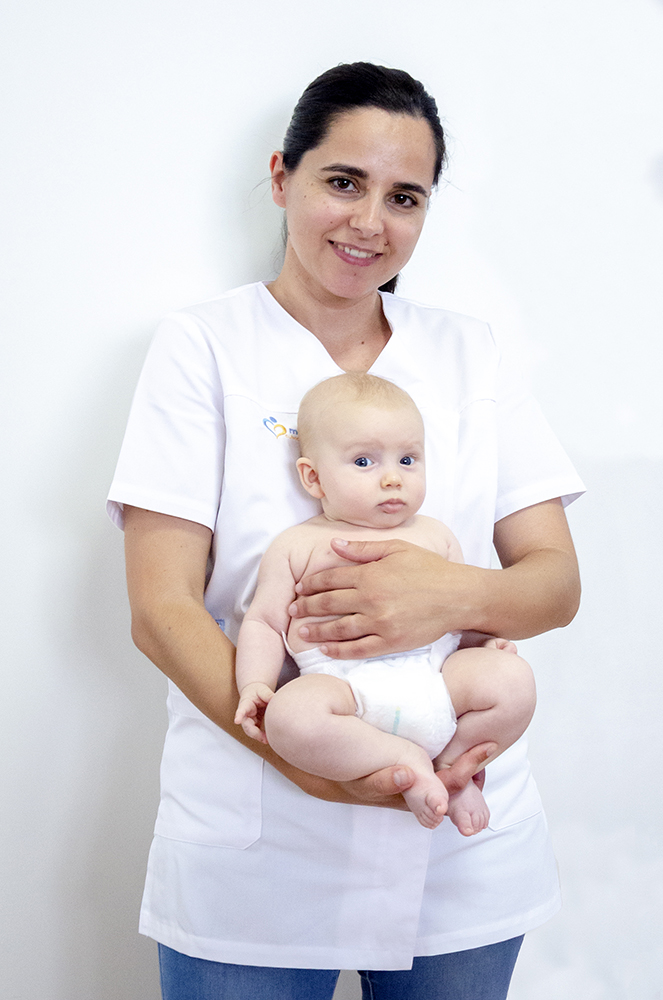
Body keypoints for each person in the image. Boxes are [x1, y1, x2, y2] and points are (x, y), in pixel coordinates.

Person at [108, 62, 584, 1000]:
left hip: (460, 849)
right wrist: (304, 762)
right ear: (282, 177)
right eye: (342, 182)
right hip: (258, 837)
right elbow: (161, 610)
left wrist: (442, 596)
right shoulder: (203, 346)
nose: (370, 222)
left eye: (404, 197)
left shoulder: (470, 352)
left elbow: (554, 585)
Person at [235, 372, 536, 835]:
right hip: (342, 690)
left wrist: (483, 643)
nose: (393, 477)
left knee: (513, 680)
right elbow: (264, 622)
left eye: (408, 459)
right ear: (313, 477)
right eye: (364, 461)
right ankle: (405, 760)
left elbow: (462, 609)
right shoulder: (296, 545)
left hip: (436, 679)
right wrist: (255, 682)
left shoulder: (435, 536)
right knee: (288, 718)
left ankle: (451, 770)